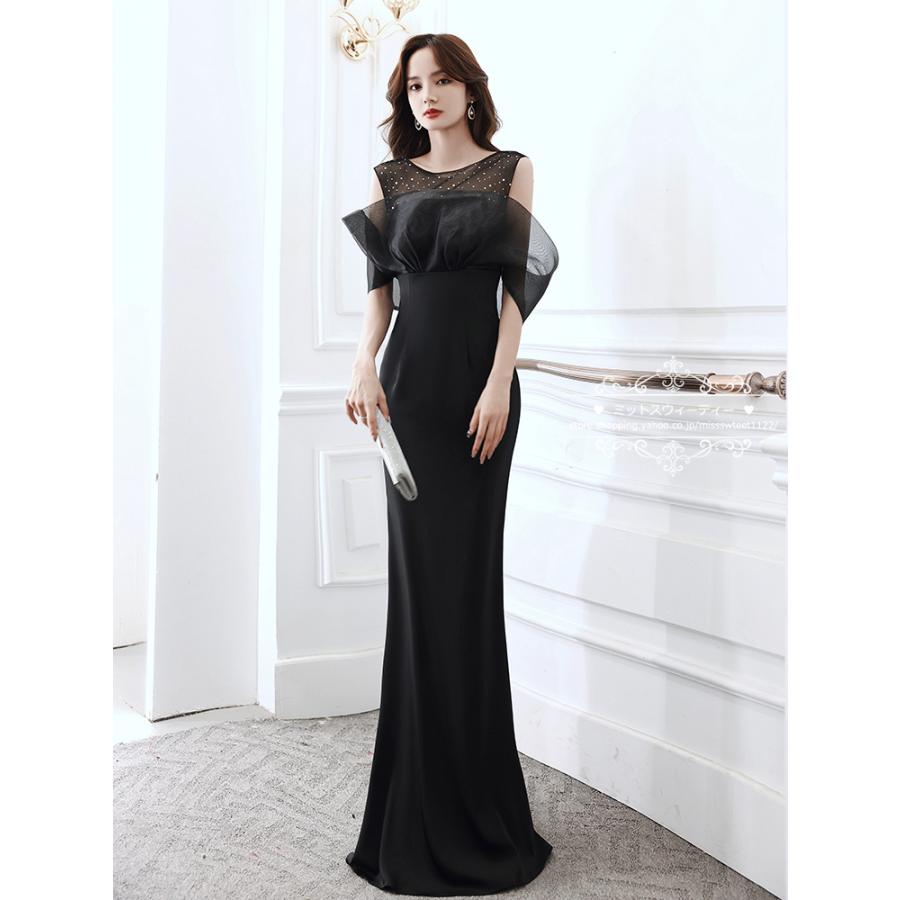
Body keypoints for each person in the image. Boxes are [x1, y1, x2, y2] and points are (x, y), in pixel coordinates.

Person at [340, 32, 560, 896]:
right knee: (419, 595)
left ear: (470, 89)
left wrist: (500, 384)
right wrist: (362, 364)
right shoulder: (389, 180)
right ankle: (413, 812)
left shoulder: (511, 171)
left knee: (468, 590)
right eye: (413, 85)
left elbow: (515, 297)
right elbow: (379, 299)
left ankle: (480, 808)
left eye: (441, 81)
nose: (426, 96)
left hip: (479, 394)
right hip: (407, 394)